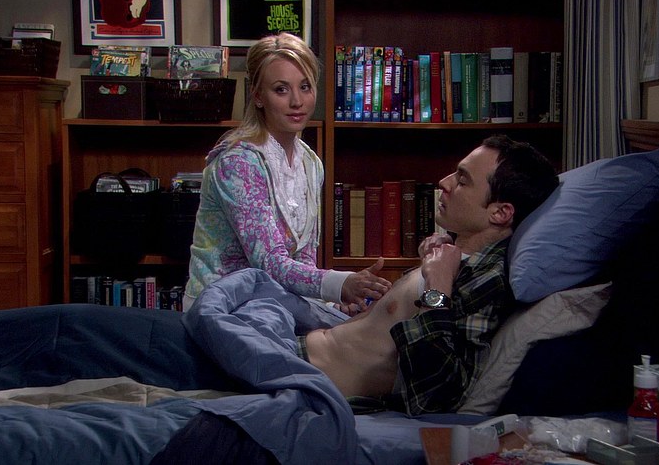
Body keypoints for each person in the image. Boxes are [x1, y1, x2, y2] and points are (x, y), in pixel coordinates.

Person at [299, 135, 560, 415]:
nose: (444, 183)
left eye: (462, 181)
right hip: (298, 354)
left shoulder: (485, 280)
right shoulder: (445, 257)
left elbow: (437, 395)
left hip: (309, 384)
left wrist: (437, 287)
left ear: (500, 212)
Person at [183, 32, 391, 313]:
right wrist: (339, 284)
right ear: (258, 96)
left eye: (305, 87)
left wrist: (330, 303)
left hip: (273, 304)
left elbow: (303, 257)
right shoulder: (238, 163)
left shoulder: (310, 163)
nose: (297, 101)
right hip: (222, 307)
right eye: (281, 89)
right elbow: (269, 262)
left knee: (364, 326)